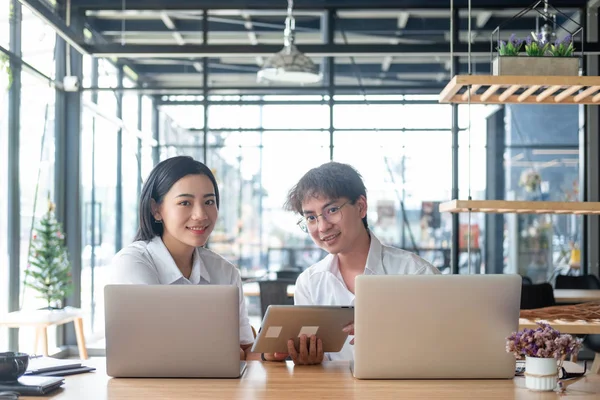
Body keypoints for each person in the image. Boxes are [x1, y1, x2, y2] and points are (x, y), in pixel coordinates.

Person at [263, 162, 440, 365]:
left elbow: (443, 346)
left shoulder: (417, 274)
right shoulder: (309, 283)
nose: (322, 226)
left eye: (332, 210)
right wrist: (307, 359)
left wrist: (394, 333)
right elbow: (315, 366)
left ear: (361, 207)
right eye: (311, 217)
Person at [107, 156, 255, 360]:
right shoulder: (133, 262)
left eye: (209, 202)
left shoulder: (225, 271)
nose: (201, 214)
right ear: (155, 209)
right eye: (185, 202)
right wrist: (219, 349)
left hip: (220, 389)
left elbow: (246, 350)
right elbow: (155, 347)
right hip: (151, 389)